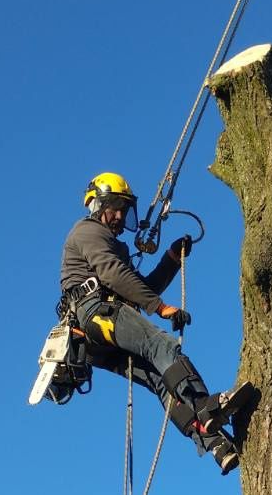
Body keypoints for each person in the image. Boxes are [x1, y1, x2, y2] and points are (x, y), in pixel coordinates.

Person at [57, 171, 253, 475]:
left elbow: (135, 287)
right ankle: (205, 405)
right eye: (116, 207)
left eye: (125, 209)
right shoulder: (87, 232)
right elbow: (114, 275)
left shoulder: (110, 245)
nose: (121, 215)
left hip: (95, 335)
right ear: (97, 204)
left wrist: (171, 260)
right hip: (95, 313)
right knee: (159, 344)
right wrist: (159, 308)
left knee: (162, 381)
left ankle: (213, 442)